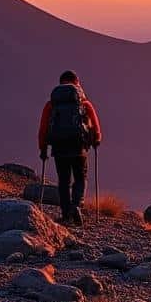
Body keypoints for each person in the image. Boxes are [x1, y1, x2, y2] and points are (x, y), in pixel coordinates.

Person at [38, 71, 102, 225]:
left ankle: (67, 215)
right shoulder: (84, 103)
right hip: (79, 147)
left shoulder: (52, 104)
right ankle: (76, 206)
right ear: (76, 82)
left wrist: (43, 149)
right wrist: (96, 140)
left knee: (64, 181)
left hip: (59, 148)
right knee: (80, 178)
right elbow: (95, 125)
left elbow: (43, 128)